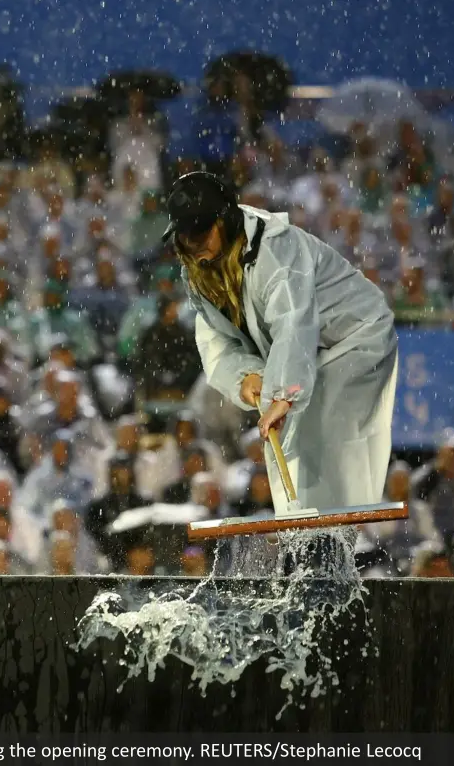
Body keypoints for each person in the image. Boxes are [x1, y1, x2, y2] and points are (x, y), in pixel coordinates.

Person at [163, 171, 399, 531]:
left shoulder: (277, 247)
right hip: (303, 353)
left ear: (224, 221)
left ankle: (329, 530)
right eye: (184, 234)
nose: (191, 243)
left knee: (320, 428)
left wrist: (283, 392)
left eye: (199, 231)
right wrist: (243, 377)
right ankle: (300, 527)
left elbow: (293, 321)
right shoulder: (197, 272)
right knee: (283, 435)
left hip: (355, 337)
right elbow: (214, 339)